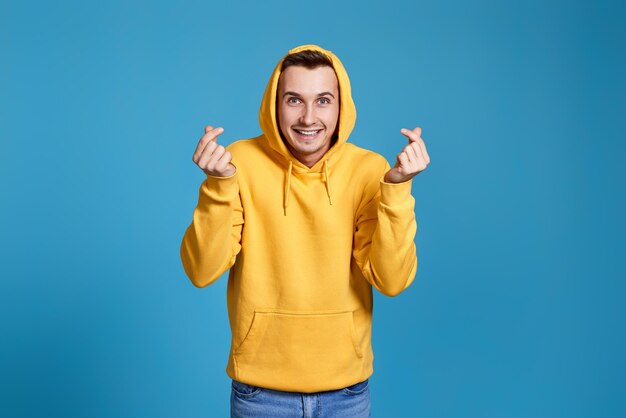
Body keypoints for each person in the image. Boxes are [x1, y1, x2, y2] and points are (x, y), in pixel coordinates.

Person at [180, 44, 430, 417]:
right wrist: (218, 187)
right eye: (294, 100)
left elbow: (391, 280)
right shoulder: (240, 163)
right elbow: (202, 271)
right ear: (273, 105)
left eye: (323, 100)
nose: (309, 117)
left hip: (345, 392)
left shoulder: (367, 170)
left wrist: (395, 190)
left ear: (340, 106)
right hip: (260, 393)